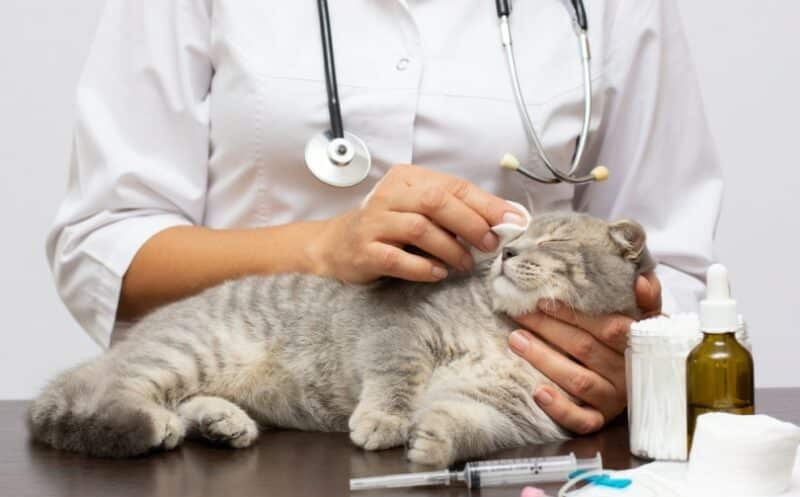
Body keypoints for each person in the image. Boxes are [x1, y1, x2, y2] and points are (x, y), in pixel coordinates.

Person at [46, 0, 721, 436]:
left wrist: (625, 368)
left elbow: (677, 265)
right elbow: (103, 245)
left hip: (504, 433)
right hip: (236, 432)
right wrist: (320, 248)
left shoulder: (618, 10)